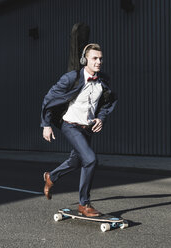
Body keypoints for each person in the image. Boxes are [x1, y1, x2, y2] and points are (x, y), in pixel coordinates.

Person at [40, 43, 117, 217]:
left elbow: (109, 101)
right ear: (85, 60)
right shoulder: (71, 78)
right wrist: (46, 124)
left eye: (100, 58)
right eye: (94, 58)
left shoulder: (104, 79)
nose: (98, 62)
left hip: (87, 128)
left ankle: (50, 177)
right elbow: (49, 99)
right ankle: (84, 204)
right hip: (70, 125)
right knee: (90, 159)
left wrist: (101, 118)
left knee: (75, 162)